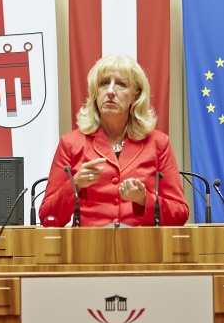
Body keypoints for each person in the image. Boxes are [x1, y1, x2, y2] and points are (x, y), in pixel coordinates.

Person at [39, 54, 189, 227]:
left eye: (121, 84)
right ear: (95, 93)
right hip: (88, 249)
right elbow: (48, 217)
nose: (110, 91)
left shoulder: (158, 143)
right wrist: (76, 184)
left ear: (136, 95)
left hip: (143, 249)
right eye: (103, 83)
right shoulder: (71, 143)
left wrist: (143, 199)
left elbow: (179, 215)